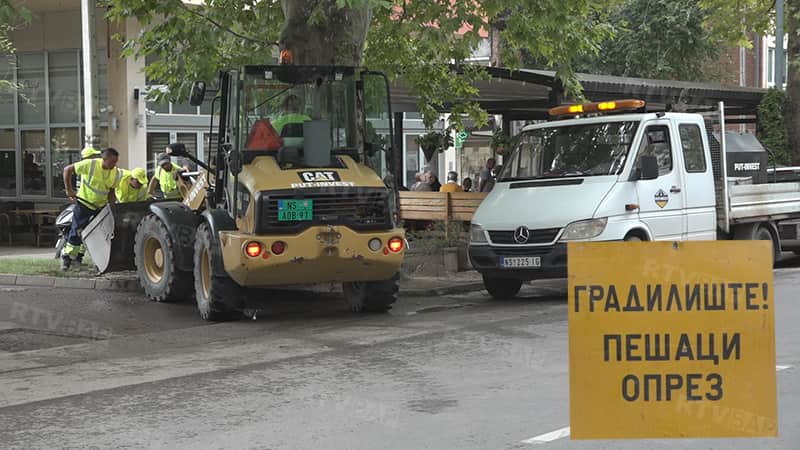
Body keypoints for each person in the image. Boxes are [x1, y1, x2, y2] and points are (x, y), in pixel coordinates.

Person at [61, 148, 122, 270]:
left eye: (116, 162)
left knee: (95, 234)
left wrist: (111, 207)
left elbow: (111, 191)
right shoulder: (91, 164)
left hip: (100, 207)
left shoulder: (116, 173)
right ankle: (67, 259)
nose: (114, 164)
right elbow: (67, 170)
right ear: (104, 159)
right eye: (112, 161)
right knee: (77, 231)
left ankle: (80, 258)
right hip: (84, 204)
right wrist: (69, 190)